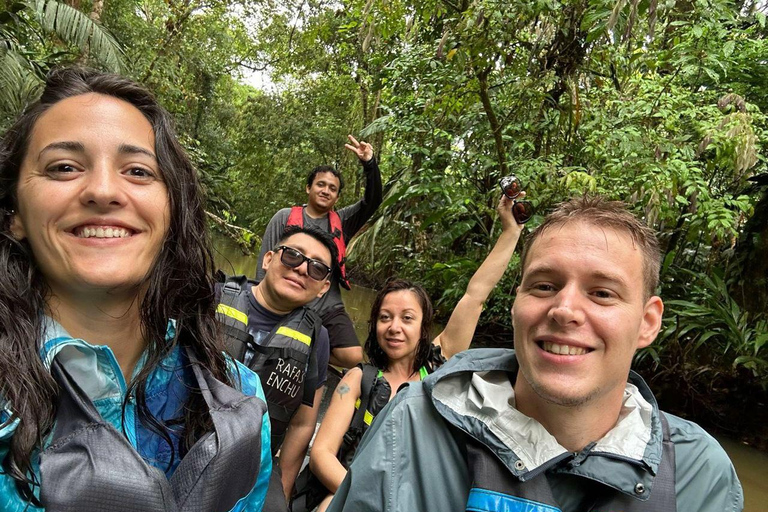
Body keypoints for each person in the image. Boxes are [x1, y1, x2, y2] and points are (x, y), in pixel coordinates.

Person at [326, 196, 744, 512]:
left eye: (602, 293)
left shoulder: (699, 475)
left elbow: (474, 295)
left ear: (648, 323)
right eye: (544, 286)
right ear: (517, 304)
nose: (564, 310)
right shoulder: (405, 413)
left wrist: (510, 232)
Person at [0, 67, 271, 511]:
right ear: (14, 213)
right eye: (64, 167)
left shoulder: (239, 399)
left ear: (171, 213)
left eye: (139, 171)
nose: (104, 190)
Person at [302, 194, 526, 512]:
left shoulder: (438, 368)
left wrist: (510, 233)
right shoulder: (357, 379)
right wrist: (373, 497)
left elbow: (475, 295)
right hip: (359, 496)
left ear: (423, 327)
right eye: (385, 317)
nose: (395, 327)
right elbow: (322, 454)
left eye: (407, 318)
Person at [217, 225, 337, 505]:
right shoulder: (213, 296)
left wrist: (282, 487)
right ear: (269, 258)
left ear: (323, 288)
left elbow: (303, 424)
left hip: (255, 463)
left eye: (317, 268)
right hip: (183, 435)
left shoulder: (317, 339)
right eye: (293, 255)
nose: (302, 269)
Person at [256, 136, 382, 369]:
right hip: (287, 297)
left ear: (337, 197)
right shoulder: (284, 217)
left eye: (332, 188)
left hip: (326, 304)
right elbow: (265, 262)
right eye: (320, 184)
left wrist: (370, 163)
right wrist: (261, 302)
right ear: (308, 188)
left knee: (352, 357)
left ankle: (303, 352)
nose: (326, 191)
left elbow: (373, 201)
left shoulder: (343, 221)